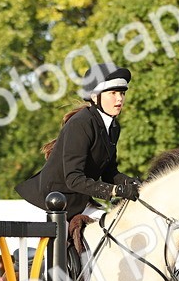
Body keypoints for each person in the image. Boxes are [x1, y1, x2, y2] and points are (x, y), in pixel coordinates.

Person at [16, 63, 142, 222]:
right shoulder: (80, 124)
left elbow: (109, 172)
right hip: (50, 205)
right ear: (95, 97)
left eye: (122, 93)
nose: (119, 99)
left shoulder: (113, 127)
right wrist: (116, 190)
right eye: (113, 93)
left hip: (78, 202)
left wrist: (135, 184)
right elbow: (73, 179)